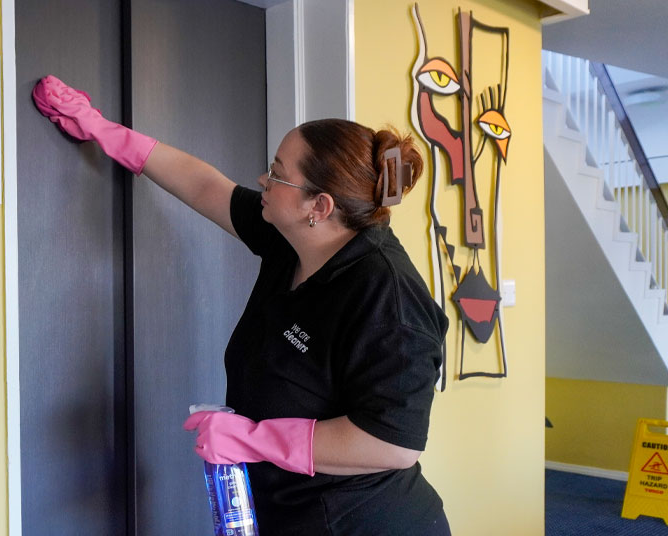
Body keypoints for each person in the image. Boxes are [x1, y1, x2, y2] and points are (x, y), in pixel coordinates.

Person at [33, 74, 450, 535]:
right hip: (286, 511)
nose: (262, 180)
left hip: (364, 523)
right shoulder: (291, 236)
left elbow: (392, 444)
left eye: (277, 173)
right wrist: (102, 128)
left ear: (320, 206)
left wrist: (253, 439)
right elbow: (205, 186)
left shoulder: (388, 296)